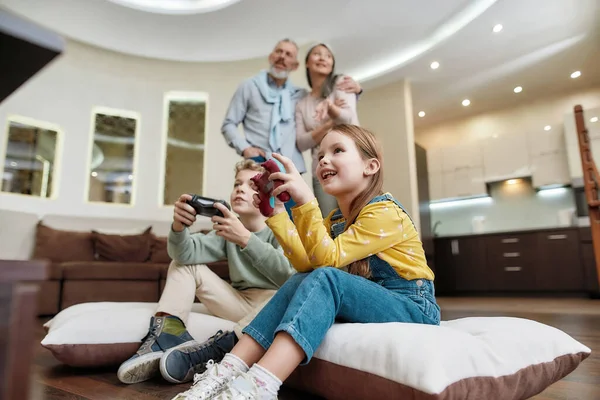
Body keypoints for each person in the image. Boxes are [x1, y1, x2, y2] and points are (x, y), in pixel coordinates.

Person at [170, 124, 441, 400]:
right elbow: (305, 264)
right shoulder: (336, 220)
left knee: (327, 278)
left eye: (337, 150)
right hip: (373, 300)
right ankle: (226, 371)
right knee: (302, 279)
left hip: (412, 307)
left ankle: (259, 386)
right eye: (320, 155)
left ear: (370, 166)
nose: (324, 159)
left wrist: (305, 199)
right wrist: (275, 212)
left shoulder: (385, 212)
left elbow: (327, 263)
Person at [117, 159, 296, 385]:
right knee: (184, 266)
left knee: (290, 289)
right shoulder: (228, 227)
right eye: (237, 184)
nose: (240, 188)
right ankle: (167, 335)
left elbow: (287, 275)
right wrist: (179, 227)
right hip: (238, 302)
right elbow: (184, 254)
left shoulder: (282, 227)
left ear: (267, 193)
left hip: (271, 305)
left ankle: (212, 353)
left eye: (251, 185)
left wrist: (245, 238)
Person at [220, 39, 362, 217]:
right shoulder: (249, 86)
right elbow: (229, 124)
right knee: (259, 222)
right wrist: (246, 148)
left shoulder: (300, 95)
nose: (282, 57)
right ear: (271, 56)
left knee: (295, 226)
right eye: (279, 52)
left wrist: (356, 90)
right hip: (259, 166)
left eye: (288, 55)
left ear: (295, 65)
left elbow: (329, 100)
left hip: (291, 171)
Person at [295, 43, 360, 217]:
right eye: (317, 54)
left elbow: (347, 118)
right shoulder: (302, 104)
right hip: (323, 169)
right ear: (307, 62)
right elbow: (301, 142)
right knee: (330, 223)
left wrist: (329, 106)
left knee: (358, 220)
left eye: (328, 56)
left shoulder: (341, 83)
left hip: (351, 162)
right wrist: (330, 122)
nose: (323, 58)